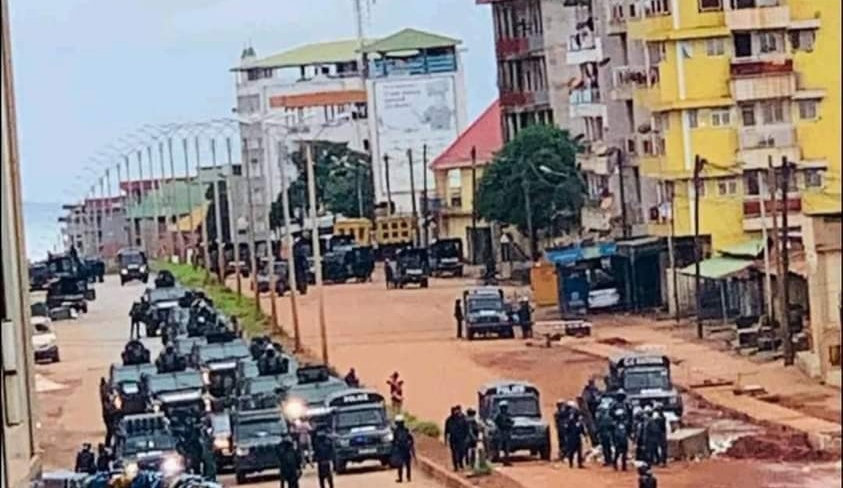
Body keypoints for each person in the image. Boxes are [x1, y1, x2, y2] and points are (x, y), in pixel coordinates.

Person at [444, 406, 468, 472]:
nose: (456, 412)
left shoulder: (463, 419)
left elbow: (467, 429)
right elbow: (446, 431)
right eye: (454, 411)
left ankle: (461, 464)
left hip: (461, 439)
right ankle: (456, 466)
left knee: (462, 452)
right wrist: (446, 440)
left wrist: (466, 438)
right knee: (454, 453)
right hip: (453, 439)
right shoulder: (449, 420)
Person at [392, 415, 415, 483]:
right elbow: (411, 438)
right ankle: (408, 477)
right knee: (407, 464)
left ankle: (401, 478)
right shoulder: (406, 430)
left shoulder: (396, 431)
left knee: (400, 464)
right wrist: (410, 445)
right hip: (406, 449)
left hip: (400, 449)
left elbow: (394, 441)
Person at [493, 401, 514, 466]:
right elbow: (497, 423)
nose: (504, 409)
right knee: (499, 448)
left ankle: (506, 461)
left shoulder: (508, 415)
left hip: (507, 433)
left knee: (507, 448)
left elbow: (511, 422)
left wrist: (508, 424)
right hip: (501, 433)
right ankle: (497, 460)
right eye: (503, 408)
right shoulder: (498, 415)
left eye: (505, 408)